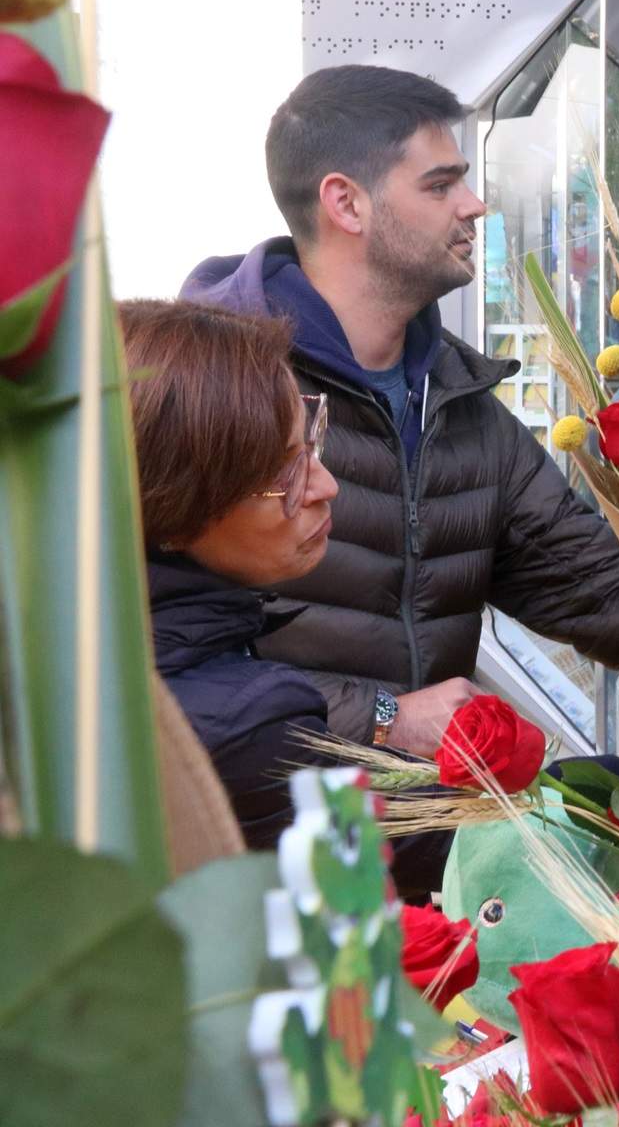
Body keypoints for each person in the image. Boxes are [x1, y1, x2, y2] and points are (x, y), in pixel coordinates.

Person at [183, 65, 619, 756]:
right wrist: (383, 717)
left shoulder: (459, 401)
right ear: (346, 203)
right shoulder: (211, 391)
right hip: (260, 839)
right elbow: (164, 667)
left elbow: (606, 596)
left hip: (421, 836)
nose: (475, 203)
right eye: (440, 184)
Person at [124, 298, 448, 897]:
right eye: (280, 473)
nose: (325, 485)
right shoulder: (249, 728)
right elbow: (425, 843)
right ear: (167, 510)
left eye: (312, 441)